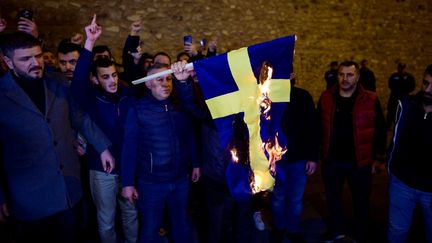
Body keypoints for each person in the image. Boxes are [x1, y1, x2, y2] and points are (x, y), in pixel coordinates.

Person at [0, 31, 115, 243]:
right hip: (29, 200)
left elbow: (79, 116)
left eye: (38, 56)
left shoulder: (57, 80)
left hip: (68, 191)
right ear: (8, 61)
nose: (35, 63)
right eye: (25, 59)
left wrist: (103, 147)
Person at [71, 15, 138, 243]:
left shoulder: (127, 95)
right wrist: (89, 43)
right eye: (105, 77)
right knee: (106, 219)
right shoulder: (90, 98)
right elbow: (78, 81)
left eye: (114, 75)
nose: (112, 80)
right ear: (95, 80)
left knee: (130, 214)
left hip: (128, 167)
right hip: (102, 170)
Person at [121, 61, 200, 243]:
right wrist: (127, 183)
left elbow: (189, 137)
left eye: (169, 79)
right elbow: (129, 147)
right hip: (151, 184)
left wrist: (195, 163)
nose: (166, 83)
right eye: (159, 80)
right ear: (148, 83)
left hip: (180, 179)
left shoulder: (179, 107)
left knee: (181, 225)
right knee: (150, 228)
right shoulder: (138, 109)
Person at [317, 61, 387, 243]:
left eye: (349, 75)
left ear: (357, 77)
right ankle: (336, 231)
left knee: (361, 201)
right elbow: (318, 127)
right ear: (337, 76)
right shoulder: (326, 98)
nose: (345, 79)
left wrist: (378, 159)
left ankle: (361, 234)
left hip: (360, 162)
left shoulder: (370, 99)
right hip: (332, 162)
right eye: (341, 74)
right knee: (333, 200)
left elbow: (380, 129)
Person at [270, 71, 319, 243]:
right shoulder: (268, 97)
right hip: (276, 160)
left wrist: (313, 157)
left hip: (299, 158)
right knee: (278, 198)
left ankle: (293, 229)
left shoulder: (303, 96)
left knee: (296, 199)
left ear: (292, 74)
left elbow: (313, 127)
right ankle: (279, 228)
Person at [386, 64, 432, 243]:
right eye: (426, 83)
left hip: (430, 189)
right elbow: (396, 139)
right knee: (397, 231)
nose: (428, 90)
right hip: (402, 184)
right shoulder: (406, 105)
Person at [387, 62, 416, 128]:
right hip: (394, 96)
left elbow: (412, 85)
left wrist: (406, 91)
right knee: (391, 111)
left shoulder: (409, 77)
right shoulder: (394, 76)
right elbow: (390, 84)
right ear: (398, 68)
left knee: (404, 111)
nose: (401, 70)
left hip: (404, 96)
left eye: (403, 68)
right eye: (400, 68)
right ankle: (389, 125)